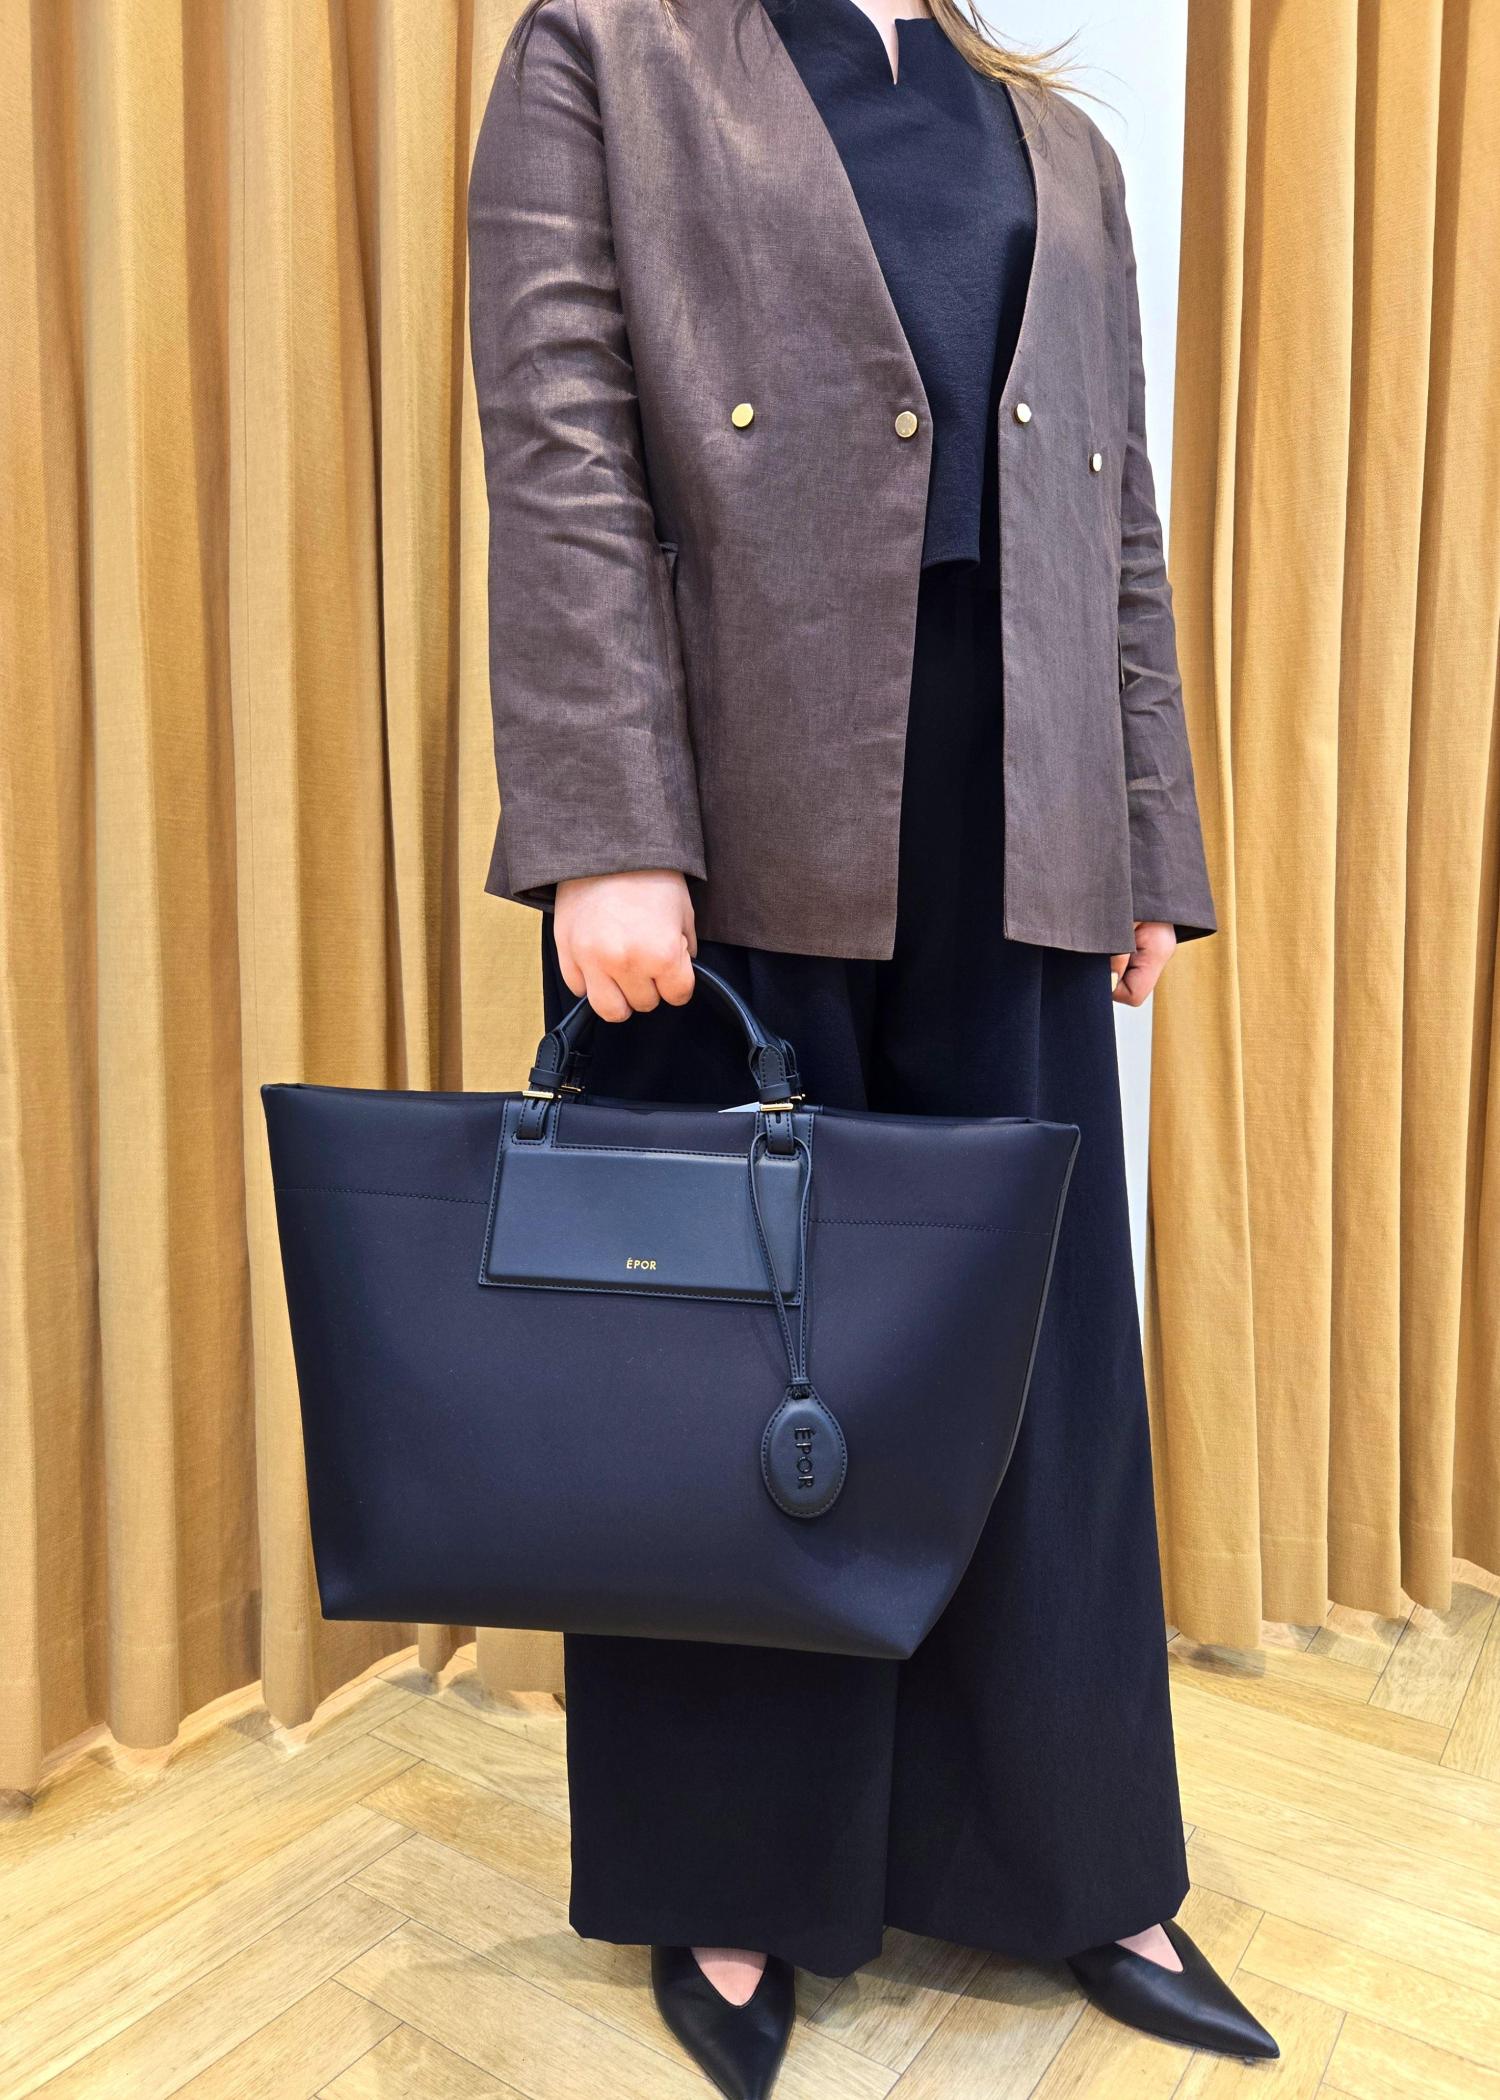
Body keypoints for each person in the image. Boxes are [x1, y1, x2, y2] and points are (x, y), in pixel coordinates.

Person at [467, 0, 1279, 2088]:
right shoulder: (611, 55)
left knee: (1038, 1358)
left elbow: (1113, 520)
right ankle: (732, 1879)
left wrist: (1151, 834)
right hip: (736, 811)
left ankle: (1082, 1860)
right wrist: (605, 827)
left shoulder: (1052, 137)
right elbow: (560, 448)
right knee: (731, 1361)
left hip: (1024, 814)